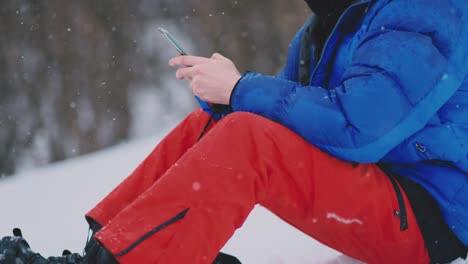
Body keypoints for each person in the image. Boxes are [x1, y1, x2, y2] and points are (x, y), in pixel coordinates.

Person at [1, 0, 467, 263]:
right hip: (380, 188)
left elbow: (360, 128)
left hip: (431, 219)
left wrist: (244, 89)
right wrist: (227, 94)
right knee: (217, 124)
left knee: (248, 137)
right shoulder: (325, 26)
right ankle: (107, 248)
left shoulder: (422, 10)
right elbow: (294, 118)